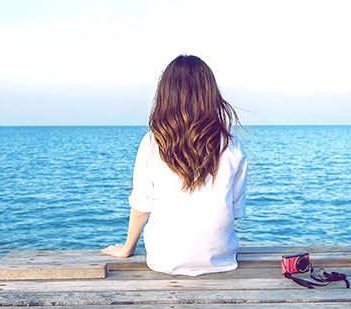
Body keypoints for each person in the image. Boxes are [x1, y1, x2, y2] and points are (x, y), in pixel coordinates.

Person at [101, 55, 247, 276]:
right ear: (210, 95)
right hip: (220, 261)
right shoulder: (232, 146)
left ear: (165, 96)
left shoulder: (152, 143)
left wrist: (127, 248)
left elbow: (142, 206)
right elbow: (234, 210)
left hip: (163, 260)